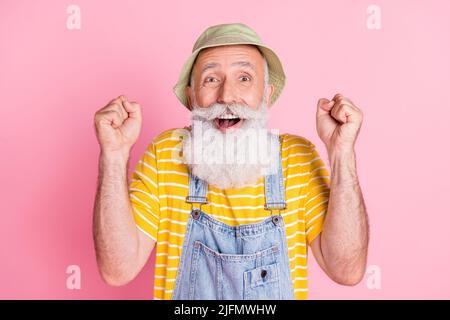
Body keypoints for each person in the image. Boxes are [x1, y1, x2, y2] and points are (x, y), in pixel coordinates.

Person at [93, 23, 369, 300]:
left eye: (244, 78)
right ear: (191, 97)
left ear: (266, 95)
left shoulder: (298, 158)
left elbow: (346, 270)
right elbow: (118, 270)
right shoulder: (165, 154)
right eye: (211, 79)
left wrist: (341, 153)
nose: (226, 95)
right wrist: (114, 156)